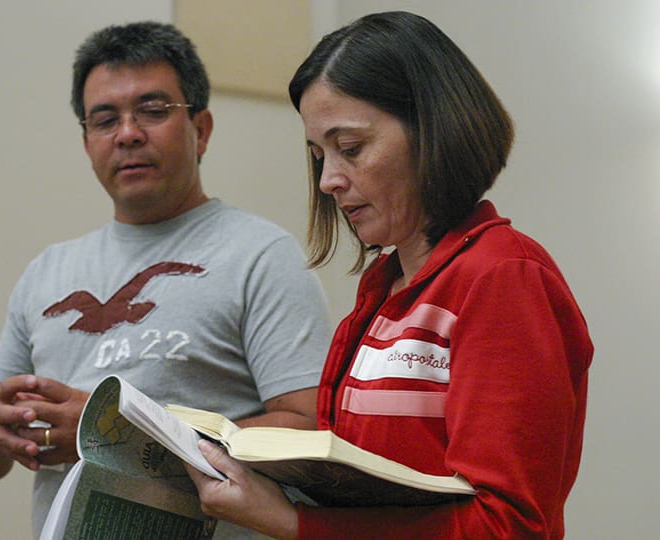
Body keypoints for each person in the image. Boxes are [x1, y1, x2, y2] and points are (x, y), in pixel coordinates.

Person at [186, 11, 593, 539]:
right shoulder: (383, 287)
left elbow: (507, 527)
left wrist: (292, 522)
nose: (330, 180)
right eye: (319, 156)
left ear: (432, 128)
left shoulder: (502, 276)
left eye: (350, 148)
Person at [0, 21, 333, 539]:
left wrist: (115, 433)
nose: (128, 133)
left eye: (153, 111)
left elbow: (308, 433)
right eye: (104, 119)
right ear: (87, 141)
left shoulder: (260, 255)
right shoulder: (46, 272)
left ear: (202, 129)